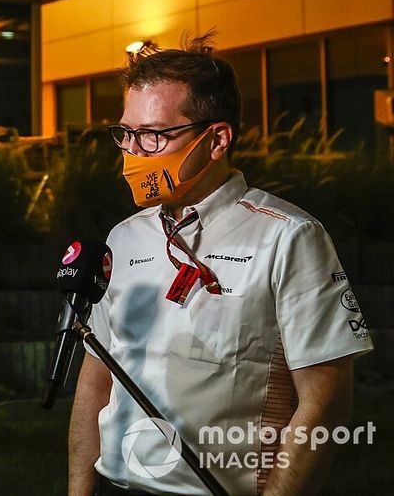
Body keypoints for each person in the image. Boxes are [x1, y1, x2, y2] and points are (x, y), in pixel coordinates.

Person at [67, 35, 374, 496]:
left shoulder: (289, 237)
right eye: (126, 134)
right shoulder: (123, 237)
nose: (133, 153)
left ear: (216, 139)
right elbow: (96, 381)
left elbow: (326, 404)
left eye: (152, 135)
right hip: (118, 486)